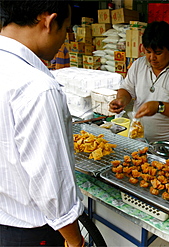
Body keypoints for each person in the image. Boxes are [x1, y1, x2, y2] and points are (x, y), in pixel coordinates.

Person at [0, 1, 85, 246]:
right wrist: (75, 241)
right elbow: (52, 188)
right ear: (49, 22)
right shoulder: (38, 88)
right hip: (31, 232)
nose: (65, 39)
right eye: (66, 28)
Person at [109, 21, 169, 144]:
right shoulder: (138, 64)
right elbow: (127, 89)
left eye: (158, 53)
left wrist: (159, 107)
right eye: (148, 52)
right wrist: (121, 100)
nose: (152, 57)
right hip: (138, 138)